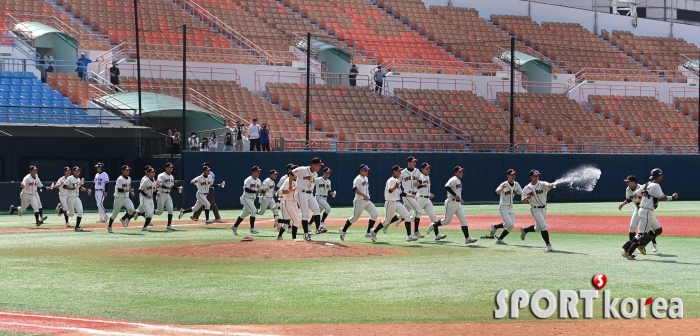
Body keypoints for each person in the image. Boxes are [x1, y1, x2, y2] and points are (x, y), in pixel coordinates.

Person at [622, 169, 678, 260]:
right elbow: (662, 197)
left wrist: (646, 196)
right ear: (659, 176)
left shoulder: (646, 184)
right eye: (661, 176)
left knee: (658, 229)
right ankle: (627, 251)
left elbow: (635, 194)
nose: (662, 178)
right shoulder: (655, 185)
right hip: (646, 211)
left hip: (646, 211)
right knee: (641, 234)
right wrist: (673, 197)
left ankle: (641, 244)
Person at [429, 166, 478, 245]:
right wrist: (455, 195)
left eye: (462, 171)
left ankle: (467, 238)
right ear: (455, 173)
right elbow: (446, 186)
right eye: (459, 172)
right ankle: (434, 225)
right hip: (451, 202)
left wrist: (459, 199)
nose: (461, 173)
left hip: (457, 203)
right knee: (446, 221)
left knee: (463, 220)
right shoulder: (454, 179)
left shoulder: (458, 180)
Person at [370, 165, 416, 243]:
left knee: (407, 217)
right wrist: (395, 186)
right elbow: (390, 190)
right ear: (394, 171)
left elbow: (401, 193)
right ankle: (374, 232)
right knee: (387, 221)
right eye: (398, 171)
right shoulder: (391, 180)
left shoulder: (397, 181)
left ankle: (409, 236)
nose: (400, 172)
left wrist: (411, 195)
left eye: (400, 171)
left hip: (397, 203)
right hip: (390, 203)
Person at [520, 169, 558, 251]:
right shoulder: (526, 188)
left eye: (538, 175)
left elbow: (549, 185)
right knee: (544, 226)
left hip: (544, 209)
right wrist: (526, 198)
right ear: (531, 176)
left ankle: (525, 230)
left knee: (538, 228)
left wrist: (554, 184)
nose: (537, 177)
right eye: (535, 175)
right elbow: (522, 201)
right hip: (535, 210)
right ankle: (548, 245)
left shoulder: (542, 184)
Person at [618, 175, 656, 254]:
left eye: (628, 182)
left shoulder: (642, 188)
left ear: (634, 182)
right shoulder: (628, 189)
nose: (627, 183)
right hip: (637, 210)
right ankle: (632, 247)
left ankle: (652, 244)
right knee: (632, 227)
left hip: (646, 210)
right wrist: (622, 204)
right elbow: (629, 199)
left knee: (650, 229)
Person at [339, 164, 378, 241]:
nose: (367, 172)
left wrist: (366, 196)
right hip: (359, 201)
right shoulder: (358, 179)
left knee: (375, 214)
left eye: (367, 170)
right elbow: (354, 189)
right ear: (361, 170)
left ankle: (368, 233)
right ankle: (343, 230)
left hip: (367, 201)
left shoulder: (366, 178)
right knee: (354, 218)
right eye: (365, 170)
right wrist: (364, 195)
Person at [483, 169, 523, 245]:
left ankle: (498, 236)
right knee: (509, 224)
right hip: (503, 207)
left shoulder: (516, 184)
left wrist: (525, 196)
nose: (513, 176)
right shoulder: (504, 184)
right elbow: (496, 193)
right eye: (511, 175)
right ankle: (496, 230)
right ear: (507, 176)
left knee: (511, 226)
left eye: (514, 175)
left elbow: (521, 193)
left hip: (511, 208)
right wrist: (501, 188)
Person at [292, 158, 324, 241]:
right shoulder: (303, 169)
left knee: (317, 209)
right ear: (313, 164)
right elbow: (291, 173)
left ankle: (318, 229)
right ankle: (306, 234)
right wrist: (289, 186)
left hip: (310, 194)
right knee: (305, 214)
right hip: (301, 193)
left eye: (320, 165)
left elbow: (312, 184)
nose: (319, 167)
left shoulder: (315, 174)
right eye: (318, 165)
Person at [232, 166, 263, 235]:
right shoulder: (248, 180)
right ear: (253, 172)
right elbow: (246, 189)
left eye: (259, 171)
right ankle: (252, 228)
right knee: (253, 210)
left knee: (244, 214)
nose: (259, 173)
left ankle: (234, 226)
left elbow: (259, 191)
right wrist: (256, 192)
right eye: (257, 171)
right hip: (246, 198)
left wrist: (263, 192)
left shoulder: (259, 181)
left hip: (252, 199)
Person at [419, 163, 444, 240]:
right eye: (426, 168)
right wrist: (423, 185)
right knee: (414, 217)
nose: (428, 169)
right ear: (422, 169)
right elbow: (416, 186)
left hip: (427, 199)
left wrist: (429, 194)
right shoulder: (419, 176)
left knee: (433, 216)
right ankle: (401, 217)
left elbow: (426, 189)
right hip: (420, 199)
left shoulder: (427, 176)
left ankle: (437, 234)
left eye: (429, 168)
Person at [107, 165, 136, 233]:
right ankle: (109, 226)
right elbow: (119, 189)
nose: (128, 171)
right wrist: (129, 191)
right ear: (122, 171)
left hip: (126, 198)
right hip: (119, 198)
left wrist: (131, 192)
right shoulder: (119, 179)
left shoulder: (129, 178)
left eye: (128, 170)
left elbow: (128, 187)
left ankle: (123, 219)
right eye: (126, 170)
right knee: (115, 213)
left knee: (132, 210)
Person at [155, 162, 182, 230]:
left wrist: (178, 188)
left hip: (167, 195)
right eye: (169, 167)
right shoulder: (161, 175)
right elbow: (158, 184)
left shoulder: (171, 176)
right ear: (166, 168)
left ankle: (169, 225)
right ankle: (146, 213)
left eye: (172, 167)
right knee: (159, 212)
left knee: (170, 209)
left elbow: (171, 186)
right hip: (161, 193)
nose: (171, 168)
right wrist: (166, 187)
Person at [400, 156, 422, 238]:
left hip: (414, 195)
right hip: (407, 195)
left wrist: (419, 182)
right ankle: (416, 232)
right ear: (408, 162)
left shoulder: (417, 171)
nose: (414, 163)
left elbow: (420, 179)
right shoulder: (403, 172)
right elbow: (397, 182)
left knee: (402, 215)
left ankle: (385, 224)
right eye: (413, 161)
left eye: (415, 161)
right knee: (418, 211)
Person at [63, 166, 91, 232]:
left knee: (80, 211)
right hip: (70, 197)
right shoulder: (70, 178)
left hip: (76, 197)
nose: (78, 171)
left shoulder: (78, 179)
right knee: (71, 214)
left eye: (78, 170)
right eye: (76, 170)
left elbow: (80, 188)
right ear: (73, 171)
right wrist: (72, 188)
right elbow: (64, 186)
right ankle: (62, 210)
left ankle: (77, 227)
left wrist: (87, 190)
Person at [277, 169, 299, 241]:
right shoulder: (287, 181)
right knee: (295, 221)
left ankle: (279, 222)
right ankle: (294, 238)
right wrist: (291, 189)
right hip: (287, 202)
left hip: (295, 203)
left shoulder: (299, 181)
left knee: (293, 221)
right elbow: (281, 191)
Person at [314, 167, 335, 232]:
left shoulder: (329, 181)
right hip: (318, 197)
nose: (328, 174)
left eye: (329, 172)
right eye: (327, 172)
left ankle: (309, 224)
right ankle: (322, 222)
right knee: (328, 208)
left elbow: (329, 191)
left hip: (325, 198)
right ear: (323, 173)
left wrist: (332, 193)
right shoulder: (318, 180)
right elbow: (311, 185)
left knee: (317, 212)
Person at [137, 167, 157, 232]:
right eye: (152, 172)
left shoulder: (154, 181)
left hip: (151, 200)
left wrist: (157, 194)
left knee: (151, 214)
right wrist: (146, 195)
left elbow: (153, 191)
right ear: (148, 173)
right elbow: (140, 189)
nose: (153, 173)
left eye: (154, 172)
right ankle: (139, 213)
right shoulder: (145, 181)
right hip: (144, 199)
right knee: (149, 213)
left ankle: (144, 227)